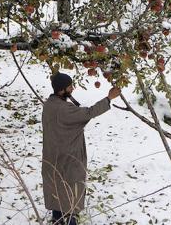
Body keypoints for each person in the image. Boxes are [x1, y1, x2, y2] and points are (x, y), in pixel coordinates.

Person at [41, 72, 122, 225]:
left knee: (57, 191)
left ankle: (57, 220)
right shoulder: (64, 109)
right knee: (71, 193)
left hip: (52, 157)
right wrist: (109, 98)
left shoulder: (49, 104)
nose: (73, 88)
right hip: (68, 158)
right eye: (70, 86)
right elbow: (89, 113)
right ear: (61, 90)